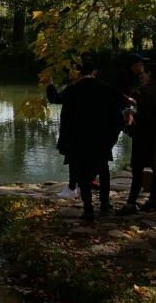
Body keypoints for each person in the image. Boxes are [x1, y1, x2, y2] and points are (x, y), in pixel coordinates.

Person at [46, 55, 129, 223]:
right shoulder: (106, 89)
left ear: (78, 73)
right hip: (101, 139)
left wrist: (50, 85)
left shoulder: (72, 90)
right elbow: (122, 106)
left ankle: (88, 209)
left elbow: (55, 99)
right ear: (95, 72)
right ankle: (105, 204)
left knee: (82, 174)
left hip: (78, 139)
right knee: (103, 171)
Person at [119, 62, 156, 215]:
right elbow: (153, 111)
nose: (141, 75)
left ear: (151, 75)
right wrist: (136, 102)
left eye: (145, 73)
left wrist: (130, 114)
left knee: (137, 170)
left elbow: (143, 117)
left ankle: (130, 204)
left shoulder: (147, 92)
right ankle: (153, 200)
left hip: (144, 137)